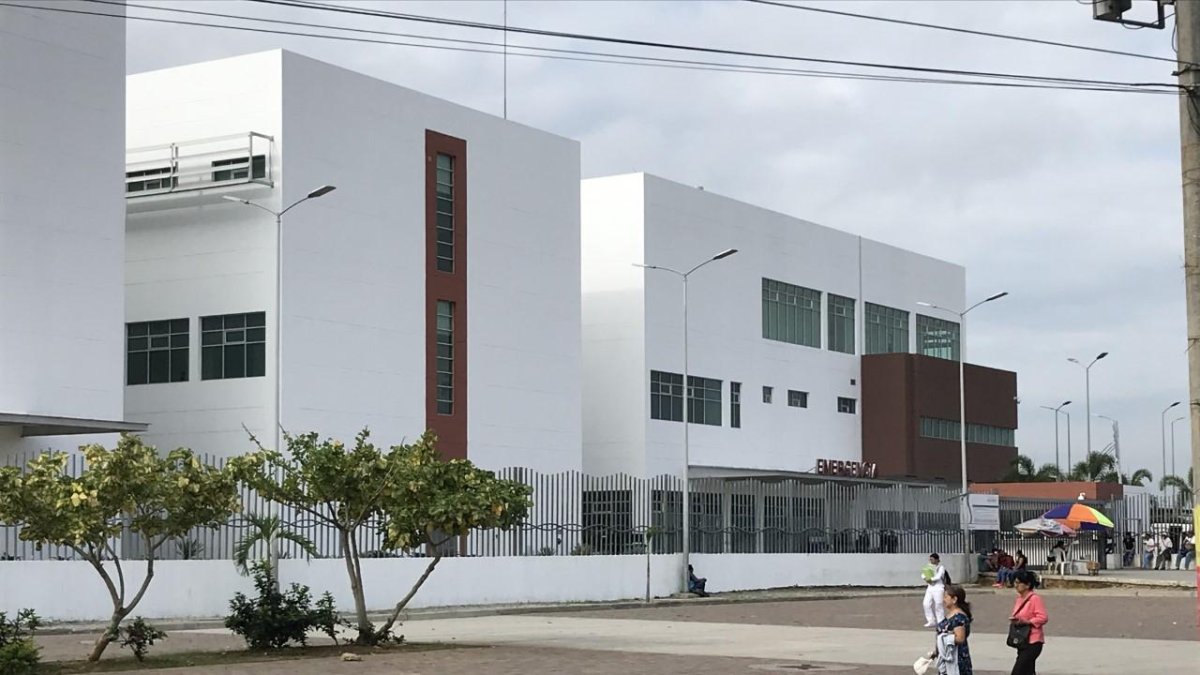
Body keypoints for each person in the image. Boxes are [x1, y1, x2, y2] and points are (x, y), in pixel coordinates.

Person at [1009, 569, 1048, 675]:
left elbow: (1043, 617)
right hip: (1022, 640)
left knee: (1018, 671)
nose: (1015, 585)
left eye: (1018, 583)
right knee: (1028, 671)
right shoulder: (1019, 599)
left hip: (1033, 641)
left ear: (1027, 585)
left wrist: (1028, 621)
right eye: (1015, 582)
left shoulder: (1035, 599)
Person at [934, 584, 973, 675]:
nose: (943, 600)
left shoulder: (959, 617)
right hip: (948, 657)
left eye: (946, 597)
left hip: (956, 660)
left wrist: (944, 638)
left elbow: (960, 638)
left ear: (954, 599)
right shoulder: (952, 615)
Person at [923, 552, 949, 628]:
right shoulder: (928, 567)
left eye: (932, 559)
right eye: (930, 559)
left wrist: (930, 579)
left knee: (938, 604)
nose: (931, 561)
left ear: (937, 560)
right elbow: (923, 574)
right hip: (930, 587)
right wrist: (925, 578)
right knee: (926, 603)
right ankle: (931, 620)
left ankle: (941, 621)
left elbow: (938, 576)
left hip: (938, 587)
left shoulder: (941, 567)